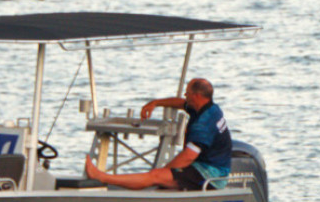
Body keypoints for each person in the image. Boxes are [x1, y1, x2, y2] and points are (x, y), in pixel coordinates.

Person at [84, 77, 231, 191]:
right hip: (206, 164)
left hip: (210, 174)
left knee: (156, 175)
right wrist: (156, 103)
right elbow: (180, 103)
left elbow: (188, 156)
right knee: (161, 177)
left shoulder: (204, 123)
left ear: (197, 96)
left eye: (188, 93)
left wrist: (163, 172)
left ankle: (102, 177)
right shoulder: (208, 108)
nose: (185, 95)